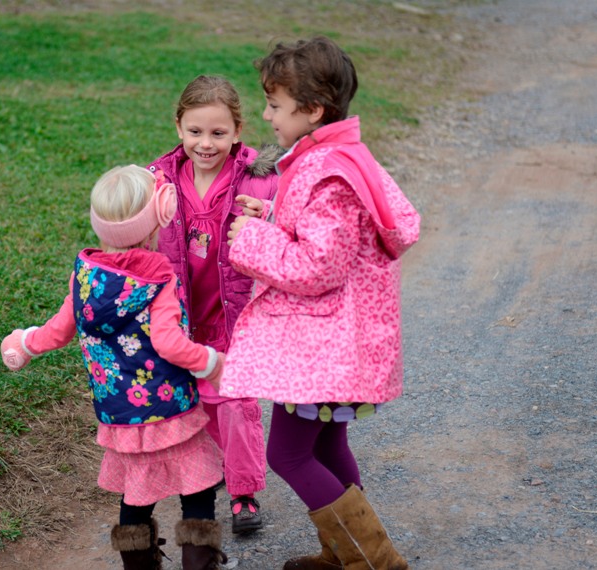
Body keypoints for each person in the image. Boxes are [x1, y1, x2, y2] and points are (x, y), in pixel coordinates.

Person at [222, 36, 420, 569]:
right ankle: (341, 554)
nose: (266, 115)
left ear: (312, 110)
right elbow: (322, 240)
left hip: (319, 345)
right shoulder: (334, 155)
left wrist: (250, 238)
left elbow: (317, 267)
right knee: (328, 448)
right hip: (331, 341)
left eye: (275, 105)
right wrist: (269, 220)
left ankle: (371, 562)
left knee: (285, 454)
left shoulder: (327, 173)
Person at [0, 165, 229, 570]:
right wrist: (212, 363)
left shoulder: (85, 277)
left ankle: (138, 565)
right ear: (159, 217)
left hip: (120, 416)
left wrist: (25, 343)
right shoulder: (159, 281)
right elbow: (169, 344)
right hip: (171, 409)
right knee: (198, 486)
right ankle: (199, 563)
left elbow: (58, 330)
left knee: (137, 495)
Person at [148, 75, 279, 535]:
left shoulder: (258, 181)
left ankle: (244, 492)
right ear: (179, 127)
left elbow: (289, 221)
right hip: (182, 314)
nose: (206, 143)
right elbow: (136, 230)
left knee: (237, 402)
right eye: (196, 131)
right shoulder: (159, 180)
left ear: (237, 131)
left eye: (218, 133)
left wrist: (268, 217)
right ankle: (211, 473)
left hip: (236, 312)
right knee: (198, 399)